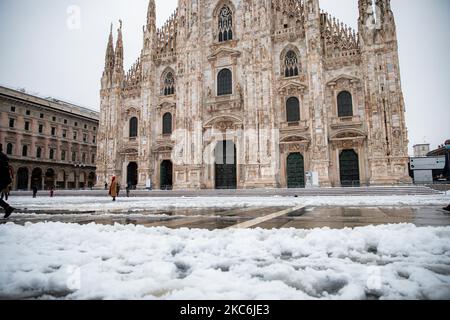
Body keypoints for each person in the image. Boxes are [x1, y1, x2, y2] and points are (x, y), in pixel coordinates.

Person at [0, 147, 15, 219]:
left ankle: (8, 208)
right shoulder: (2, 156)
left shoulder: (1, 157)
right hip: (4, 180)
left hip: (2, 179)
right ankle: (8, 208)